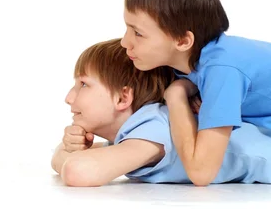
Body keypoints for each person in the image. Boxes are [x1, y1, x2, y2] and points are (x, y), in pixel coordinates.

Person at [120, 0, 271, 186]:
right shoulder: (193, 63)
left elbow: (201, 173)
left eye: (138, 33)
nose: (125, 43)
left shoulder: (222, 70)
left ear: (183, 41)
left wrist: (176, 95)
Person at [51, 38, 271, 187]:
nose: (69, 97)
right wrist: (72, 146)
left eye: (83, 84)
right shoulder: (136, 133)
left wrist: (69, 155)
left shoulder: (151, 127)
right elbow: (68, 161)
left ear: (122, 97)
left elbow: (78, 171)